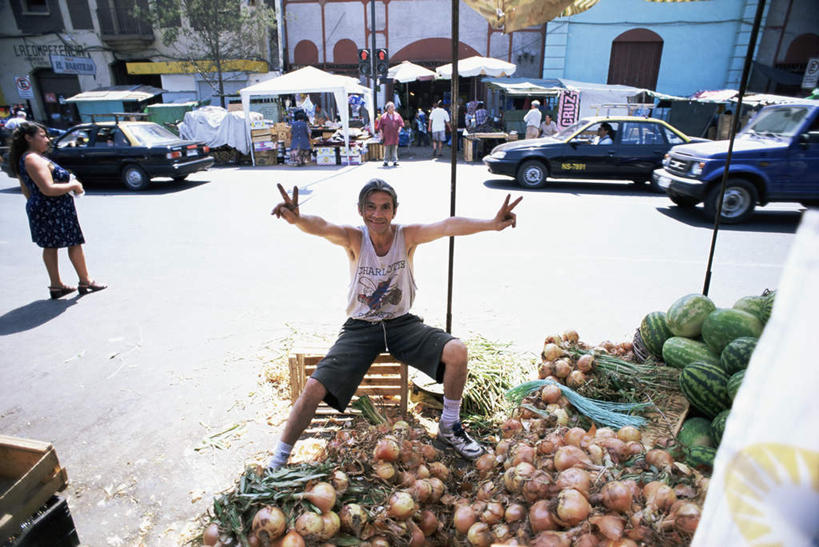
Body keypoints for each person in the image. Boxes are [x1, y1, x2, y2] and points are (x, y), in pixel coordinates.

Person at [268, 179, 523, 469]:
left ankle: (449, 426)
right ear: (361, 211)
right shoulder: (355, 238)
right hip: (361, 327)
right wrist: (298, 220)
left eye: (385, 207)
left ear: (395, 211)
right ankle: (279, 458)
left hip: (402, 325)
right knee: (314, 387)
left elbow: (447, 226)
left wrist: (491, 223)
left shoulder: (406, 236)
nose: (378, 214)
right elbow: (323, 227)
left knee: (457, 351)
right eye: (371, 207)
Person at [8, 122, 106, 299]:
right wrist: (74, 185)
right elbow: (48, 188)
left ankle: (56, 285)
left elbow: (26, 190)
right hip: (52, 208)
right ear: (28, 138)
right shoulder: (32, 159)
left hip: (45, 208)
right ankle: (85, 281)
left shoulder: (28, 158)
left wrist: (36, 205)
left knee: (50, 246)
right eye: (42, 136)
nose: (47, 139)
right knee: (74, 243)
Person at [378, 101, 403, 167]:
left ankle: (395, 161)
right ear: (388, 109)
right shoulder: (383, 116)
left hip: (395, 134)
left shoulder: (397, 115)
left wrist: (399, 130)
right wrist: (381, 136)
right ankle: (386, 161)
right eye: (391, 107)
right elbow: (380, 127)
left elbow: (401, 124)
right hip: (387, 135)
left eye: (393, 107)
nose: (393, 108)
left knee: (394, 148)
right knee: (387, 148)